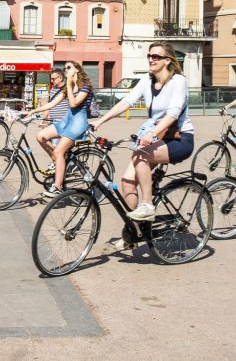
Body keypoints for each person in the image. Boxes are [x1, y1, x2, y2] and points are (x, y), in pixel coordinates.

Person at [90, 42, 194, 252]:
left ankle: (147, 205)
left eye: (156, 56)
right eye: (149, 56)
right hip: (156, 137)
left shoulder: (178, 81)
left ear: (168, 60)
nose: (151, 59)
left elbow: (173, 113)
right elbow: (126, 101)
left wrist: (151, 134)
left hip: (180, 139)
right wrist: (100, 121)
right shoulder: (147, 81)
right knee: (127, 182)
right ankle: (135, 231)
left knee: (141, 155)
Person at [37, 62, 94, 198]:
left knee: (58, 151)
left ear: (77, 70)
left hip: (78, 123)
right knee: (41, 136)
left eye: (69, 67)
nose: (66, 70)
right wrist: (33, 111)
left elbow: (74, 103)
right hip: (67, 120)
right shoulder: (70, 87)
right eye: (65, 68)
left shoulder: (84, 87)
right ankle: (59, 160)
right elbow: (52, 103)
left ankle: (58, 187)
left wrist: (69, 84)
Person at [31, 67, 71, 164]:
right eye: (51, 79)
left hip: (64, 123)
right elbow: (49, 106)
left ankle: (60, 165)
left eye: (53, 79)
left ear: (60, 78)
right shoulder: (53, 89)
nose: (51, 81)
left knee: (58, 149)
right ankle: (58, 163)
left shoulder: (67, 89)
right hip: (53, 122)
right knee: (54, 148)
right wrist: (44, 120)